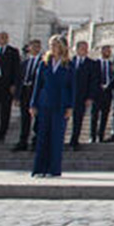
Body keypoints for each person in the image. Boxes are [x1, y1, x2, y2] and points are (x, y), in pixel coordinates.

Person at [30, 35, 73, 178]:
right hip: (45, 103)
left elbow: (72, 87)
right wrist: (33, 103)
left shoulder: (68, 64)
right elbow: (38, 85)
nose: (53, 48)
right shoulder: (44, 63)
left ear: (62, 47)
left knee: (56, 138)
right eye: (51, 45)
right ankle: (39, 168)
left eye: (56, 45)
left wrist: (70, 107)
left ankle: (54, 168)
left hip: (60, 104)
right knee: (42, 136)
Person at [67, 41, 100, 151]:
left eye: (86, 48)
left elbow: (94, 82)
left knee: (78, 119)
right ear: (76, 49)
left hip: (82, 97)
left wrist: (90, 97)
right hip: (68, 96)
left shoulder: (92, 64)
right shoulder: (69, 62)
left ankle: (74, 141)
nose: (84, 50)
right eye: (82, 48)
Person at [11, 39, 42, 152]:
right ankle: (23, 141)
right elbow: (19, 80)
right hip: (24, 91)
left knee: (38, 117)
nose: (35, 48)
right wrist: (17, 96)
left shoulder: (43, 62)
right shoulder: (24, 63)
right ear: (29, 48)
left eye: (37, 46)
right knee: (24, 117)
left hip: (36, 92)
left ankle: (36, 141)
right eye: (33, 46)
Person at [90, 45, 114, 143]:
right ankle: (92, 136)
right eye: (106, 50)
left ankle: (101, 136)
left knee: (105, 116)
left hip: (107, 94)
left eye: (109, 51)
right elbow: (91, 79)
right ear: (102, 51)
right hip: (97, 93)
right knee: (94, 116)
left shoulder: (112, 65)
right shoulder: (95, 64)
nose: (108, 52)